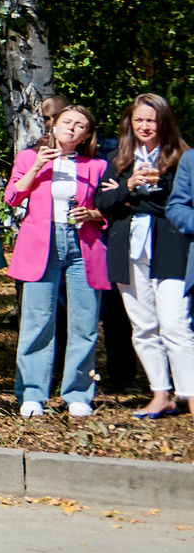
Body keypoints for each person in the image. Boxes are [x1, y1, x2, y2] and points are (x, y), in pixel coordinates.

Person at [5, 102, 110, 418]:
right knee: (37, 321)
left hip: (83, 244)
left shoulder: (97, 167)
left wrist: (93, 214)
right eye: (67, 121)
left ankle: (78, 394)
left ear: (85, 135)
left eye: (80, 125)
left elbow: (112, 210)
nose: (72, 127)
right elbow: (12, 197)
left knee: (85, 323)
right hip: (42, 244)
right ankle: (32, 394)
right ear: (53, 126)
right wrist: (37, 166)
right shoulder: (28, 158)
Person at [96, 95, 190, 419]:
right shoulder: (119, 159)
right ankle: (161, 394)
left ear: (163, 121)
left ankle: (190, 395)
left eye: (151, 120)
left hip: (172, 248)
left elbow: (177, 206)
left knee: (176, 324)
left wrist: (133, 195)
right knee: (144, 326)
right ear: (130, 123)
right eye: (139, 120)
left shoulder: (183, 159)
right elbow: (102, 201)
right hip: (129, 250)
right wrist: (130, 185)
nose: (145, 126)